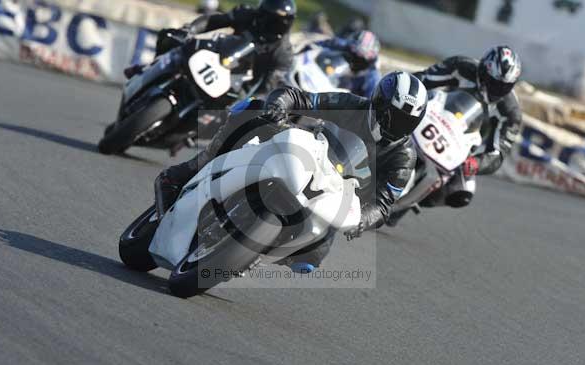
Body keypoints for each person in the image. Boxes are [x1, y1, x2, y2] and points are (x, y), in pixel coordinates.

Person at [154, 72, 428, 272]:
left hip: (335, 194)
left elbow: (383, 205)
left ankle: (253, 253)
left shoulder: (404, 155)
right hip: (306, 156)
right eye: (395, 116)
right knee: (252, 109)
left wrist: (362, 221)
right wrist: (279, 106)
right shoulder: (352, 104)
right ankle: (188, 170)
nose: (398, 126)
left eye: (408, 121)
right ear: (379, 103)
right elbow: (301, 97)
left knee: (309, 259)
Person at [406, 45, 522, 214]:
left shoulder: (510, 112)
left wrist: (475, 164)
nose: (496, 90)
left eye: (503, 87)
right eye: (493, 82)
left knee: (463, 192)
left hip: (462, 144)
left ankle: (420, 198)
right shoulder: (461, 66)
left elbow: (497, 154)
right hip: (434, 115)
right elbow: (422, 79)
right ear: (483, 71)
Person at [152, 0, 296, 94]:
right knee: (170, 37)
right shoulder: (248, 14)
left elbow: (268, 85)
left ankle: (192, 135)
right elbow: (214, 21)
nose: (266, 23)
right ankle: (149, 69)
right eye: (264, 16)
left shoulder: (283, 53)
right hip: (216, 56)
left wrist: (252, 99)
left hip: (237, 85)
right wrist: (190, 30)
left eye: (274, 21)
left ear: (285, 24)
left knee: (227, 117)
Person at [315, 30, 381, 97]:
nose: (356, 57)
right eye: (354, 52)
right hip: (323, 82)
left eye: (361, 56)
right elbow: (327, 43)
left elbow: (370, 104)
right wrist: (313, 47)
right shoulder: (346, 45)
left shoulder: (373, 79)